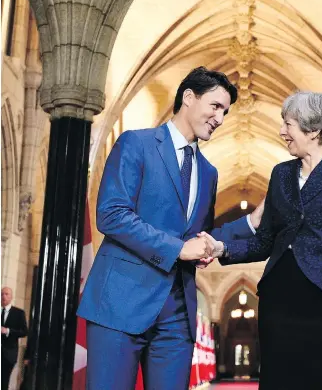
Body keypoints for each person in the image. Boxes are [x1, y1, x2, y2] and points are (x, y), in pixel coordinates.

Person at [77, 66, 264, 390]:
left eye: (225, 112)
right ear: (188, 97)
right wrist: (178, 248)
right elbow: (111, 214)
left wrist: (251, 223)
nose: (220, 118)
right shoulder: (136, 143)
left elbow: (197, 239)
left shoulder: (209, 172)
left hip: (177, 313)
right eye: (216, 106)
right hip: (122, 301)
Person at [202, 91, 322, 390]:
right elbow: (264, 242)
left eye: (289, 124)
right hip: (279, 304)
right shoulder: (281, 174)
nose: (282, 132)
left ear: (314, 130)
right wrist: (222, 248)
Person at [1, 287, 28, 390]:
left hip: (8, 354)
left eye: (6, 294)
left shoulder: (18, 313)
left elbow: (24, 332)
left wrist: (8, 331)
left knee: (4, 380)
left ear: (11, 297)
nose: (4, 296)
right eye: (2, 294)